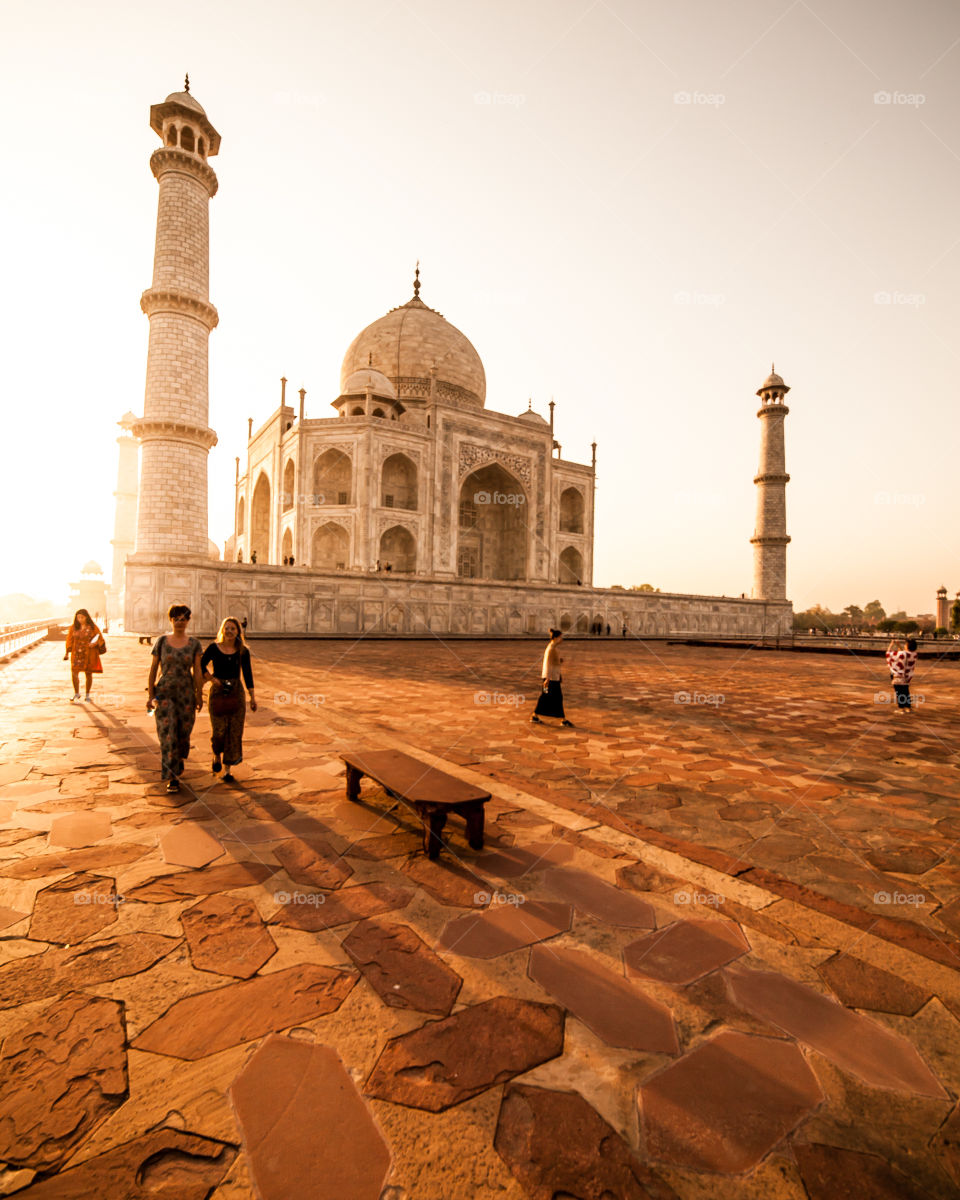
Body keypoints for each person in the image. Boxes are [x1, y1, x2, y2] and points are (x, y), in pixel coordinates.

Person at [147, 604, 203, 792]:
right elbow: (154, 668)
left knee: (183, 733)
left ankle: (178, 761)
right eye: (176, 618)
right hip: (165, 692)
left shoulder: (194, 644)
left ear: (188, 621)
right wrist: (150, 696)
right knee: (167, 732)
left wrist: (199, 694)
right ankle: (172, 776)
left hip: (186, 693)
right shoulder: (161, 641)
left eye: (184, 618)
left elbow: (197, 671)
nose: (180, 622)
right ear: (171, 620)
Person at [202, 616, 256, 783]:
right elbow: (199, 664)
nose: (230, 631)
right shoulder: (213, 647)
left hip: (236, 692)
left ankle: (227, 770)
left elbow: (247, 674)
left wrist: (252, 696)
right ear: (222, 630)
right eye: (227, 628)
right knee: (219, 729)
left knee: (234, 731)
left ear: (238, 632)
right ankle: (216, 754)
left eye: (233, 628)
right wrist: (212, 679)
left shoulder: (243, 651)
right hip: (218, 691)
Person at [531, 628, 573, 727]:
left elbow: (553, 663)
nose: (561, 639)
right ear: (555, 638)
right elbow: (549, 665)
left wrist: (559, 664)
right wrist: (547, 679)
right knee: (551, 697)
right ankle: (562, 720)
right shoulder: (551, 649)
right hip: (550, 680)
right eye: (560, 637)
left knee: (547, 697)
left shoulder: (552, 647)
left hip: (552, 678)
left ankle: (535, 716)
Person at [64, 609, 104, 702]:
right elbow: (69, 640)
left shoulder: (93, 627)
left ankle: (87, 695)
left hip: (88, 653)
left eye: (82, 617)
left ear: (86, 617)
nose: (80, 619)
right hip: (76, 654)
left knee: (88, 674)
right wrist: (67, 651)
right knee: (74, 673)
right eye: (78, 617)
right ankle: (76, 693)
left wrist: (94, 643)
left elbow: (99, 637)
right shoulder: (73, 627)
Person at [886, 636, 919, 713]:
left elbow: (889, 654)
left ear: (907, 646)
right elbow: (903, 654)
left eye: (905, 644)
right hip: (907, 677)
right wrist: (898, 645)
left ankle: (901, 708)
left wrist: (891, 644)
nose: (904, 645)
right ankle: (908, 707)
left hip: (898, 676)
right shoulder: (914, 654)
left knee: (899, 692)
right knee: (905, 691)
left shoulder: (904, 654)